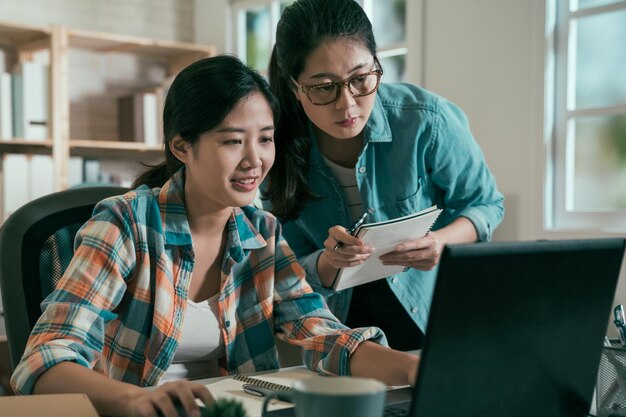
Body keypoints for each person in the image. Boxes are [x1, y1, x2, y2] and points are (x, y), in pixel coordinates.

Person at [10, 55, 418, 417]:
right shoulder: (125, 223)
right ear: (182, 146)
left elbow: (322, 333)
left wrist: (415, 368)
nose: (254, 160)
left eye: (264, 138)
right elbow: (44, 358)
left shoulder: (262, 233)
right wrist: (133, 400)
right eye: (232, 141)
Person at [264, 0, 505, 351]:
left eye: (360, 79)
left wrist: (440, 242)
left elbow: (485, 205)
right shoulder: (276, 148)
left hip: (430, 308)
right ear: (294, 86)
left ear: (376, 64)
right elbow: (288, 269)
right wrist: (330, 261)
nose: (347, 105)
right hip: (338, 328)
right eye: (323, 87)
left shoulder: (425, 120)